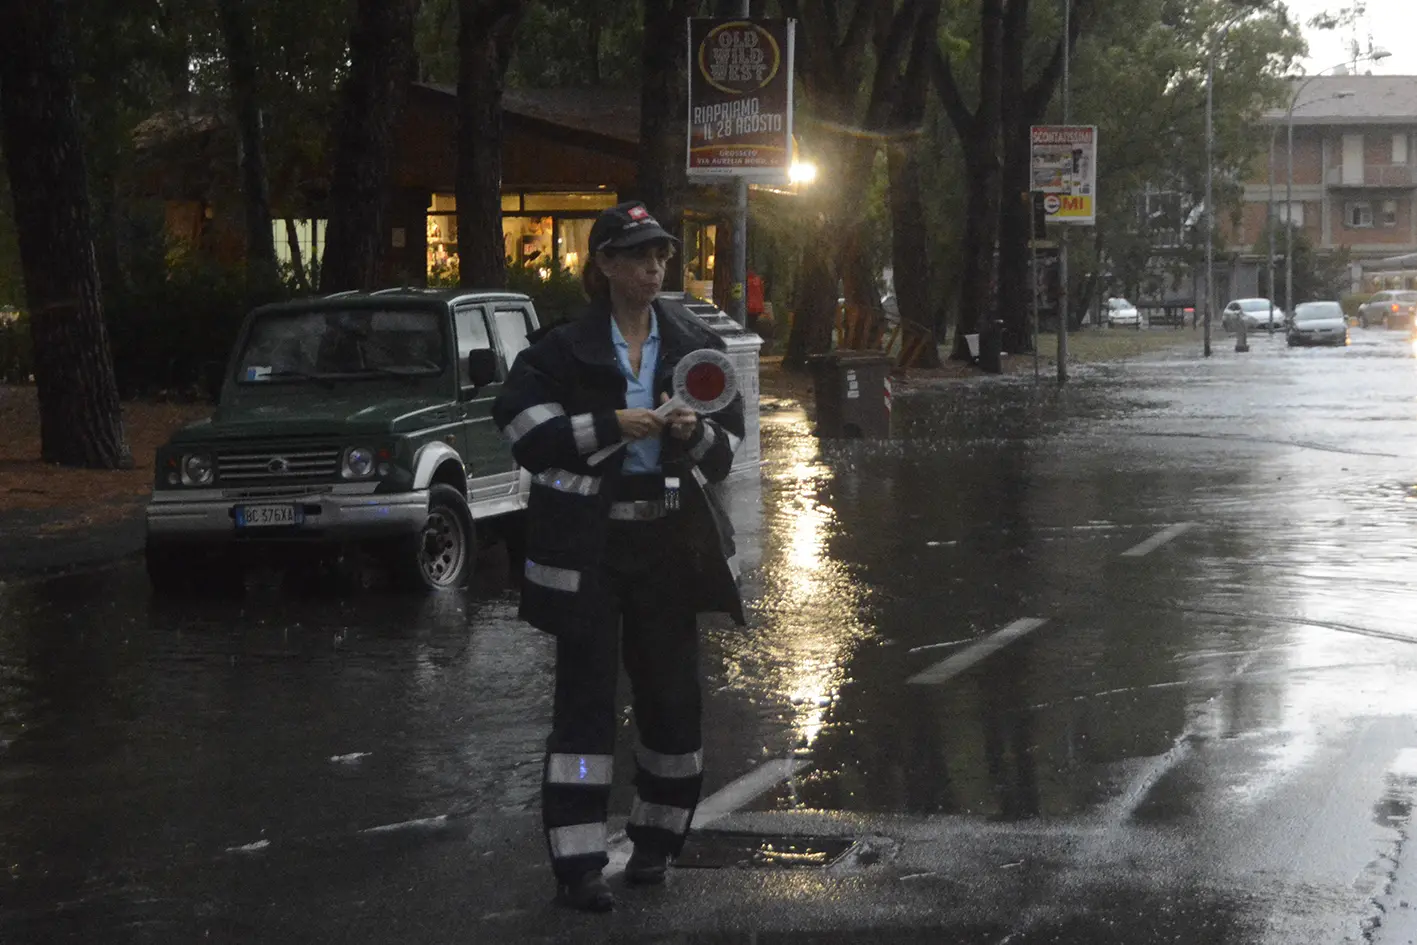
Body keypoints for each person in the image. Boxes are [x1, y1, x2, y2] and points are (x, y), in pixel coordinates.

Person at [492, 200, 746, 913]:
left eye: (661, 254)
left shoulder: (694, 343)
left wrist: (691, 432)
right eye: (638, 255)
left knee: (671, 703)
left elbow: (727, 451)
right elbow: (523, 431)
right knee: (583, 708)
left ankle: (657, 844)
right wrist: (613, 423)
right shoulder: (559, 348)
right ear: (603, 264)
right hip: (589, 551)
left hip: (666, 547)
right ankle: (576, 864)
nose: (654, 266)